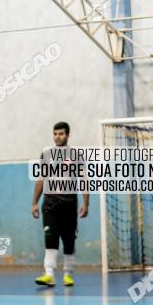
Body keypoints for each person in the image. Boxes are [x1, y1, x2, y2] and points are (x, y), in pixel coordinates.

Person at [31, 121, 89, 287]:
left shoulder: (76, 155)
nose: (58, 137)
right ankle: (49, 274)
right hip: (50, 201)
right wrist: (34, 202)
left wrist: (86, 203)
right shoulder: (46, 154)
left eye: (61, 134)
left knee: (69, 239)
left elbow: (84, 179)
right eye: (55, 134)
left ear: (68, 135)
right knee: (50, 235)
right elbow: (41, 178)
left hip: (69, 202)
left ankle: (68, 274)